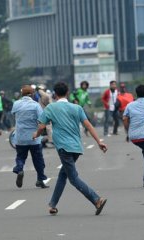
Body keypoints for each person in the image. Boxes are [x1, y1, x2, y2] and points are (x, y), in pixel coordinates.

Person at [33, 82, 108, 216]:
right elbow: (89, 126)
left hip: (64, 147)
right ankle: (53, 205)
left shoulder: (51, 108)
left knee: (73, 178)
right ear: (67, 93)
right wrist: (99, 142)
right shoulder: (77, 107)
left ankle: (97, 199)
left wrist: (36, 135)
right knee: (63, 175)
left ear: (55, 94)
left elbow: (41, 126)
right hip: (76, 147)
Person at [11, 85, 49, 189]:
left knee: (20, 157)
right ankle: (40, 180)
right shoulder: (36, 105)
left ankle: (19, 169)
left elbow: (14, 115)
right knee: (38, 160)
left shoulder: (16, 104)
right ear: (32, 94)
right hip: (34, 137)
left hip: (20, 137)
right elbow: (41, 119)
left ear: (22, 94)